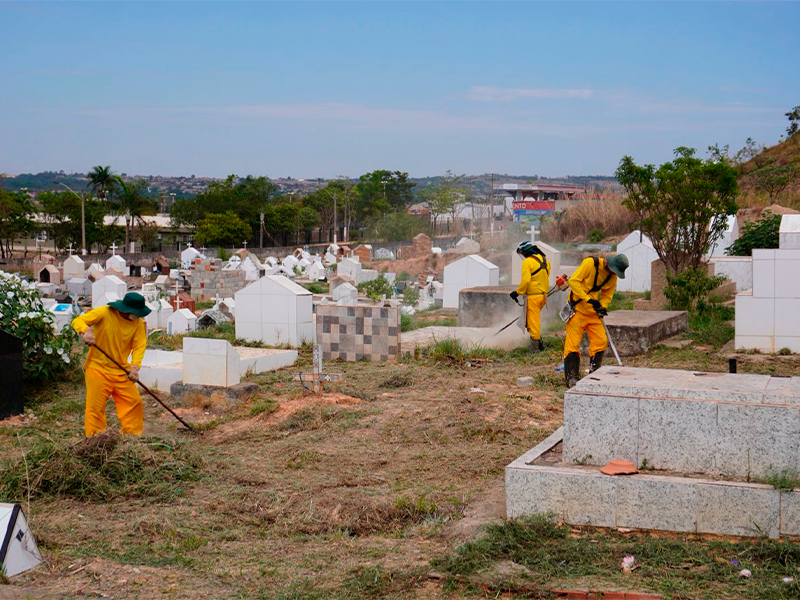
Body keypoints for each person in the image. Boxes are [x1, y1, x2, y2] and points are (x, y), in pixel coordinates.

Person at [71, 292, 151, 437]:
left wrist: (135, 367)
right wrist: (86, 331)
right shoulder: (105, 313)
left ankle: (131, 436)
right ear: (127, 310)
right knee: (95, 408)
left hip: (122, 372)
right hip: (98, 369)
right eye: (137, 313)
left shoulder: (138, 323)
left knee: (134, 401)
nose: (139, 316)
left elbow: (139, 345)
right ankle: (96, 439)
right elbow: (78, 320)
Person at [562, 254, 629, 387]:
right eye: (613, 270)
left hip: (593, 314)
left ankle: (594, 372)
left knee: (601, 341)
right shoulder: (590, 264)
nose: (613, 273)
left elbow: (607, 295)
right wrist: (588, 299)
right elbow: (573, 281)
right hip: (577, 310)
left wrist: (602, 307)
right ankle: (572, 377)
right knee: (572, 344)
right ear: (608, 264)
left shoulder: (612, 276)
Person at [510, 241, 551, 352]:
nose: (522, 255)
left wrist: (517, 292)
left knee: (533, 323)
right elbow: (545, 276)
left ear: (525, 251)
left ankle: (534, 349)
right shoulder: (545, 260)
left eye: (522, 253)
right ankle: (539, 343)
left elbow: (526, 281)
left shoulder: (527, 262)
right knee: (531, 320)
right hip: (543, 297)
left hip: (533, 298)